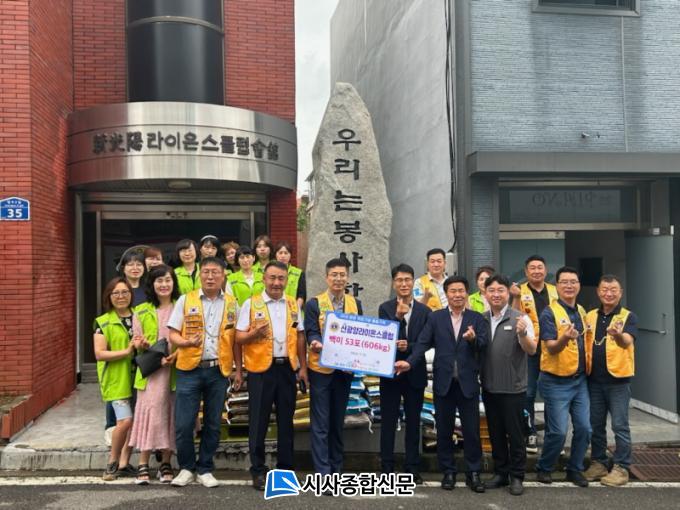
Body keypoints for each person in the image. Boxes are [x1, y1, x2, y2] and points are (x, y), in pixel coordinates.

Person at [395, 276, 488, 493]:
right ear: (446, 294)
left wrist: (473, 339)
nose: (457, 295)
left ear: (466, 293)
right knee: (444, 430)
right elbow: (422, 344)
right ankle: (448, 471)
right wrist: (409, 363)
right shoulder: (436, 318)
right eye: (453, 291)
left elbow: (484, 345)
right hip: (443, 383)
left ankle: (474, 473)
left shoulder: (476, 318)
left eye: (461, 291)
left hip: (467, 383)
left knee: (471, 431)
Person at [167, 257, 243, 488]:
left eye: (215, 272)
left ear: (223, 276)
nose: (210, 277)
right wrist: (186, 342)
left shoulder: (232, 303)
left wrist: (238, 370)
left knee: (213, 423)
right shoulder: (185, 299)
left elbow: (236, 340)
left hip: (218, 371)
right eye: (206, 272)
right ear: (200, 275)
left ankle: (205, 468)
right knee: (184, 423)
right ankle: (186, 468)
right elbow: (172, 333)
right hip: (189, 370)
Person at [235, 261, 309, 490]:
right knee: (259, 421)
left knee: (286, 421)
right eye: (272, 278)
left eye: (281, 278)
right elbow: (238, 338)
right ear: (264, 279)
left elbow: (300, 336)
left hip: (287, 368)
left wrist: (303, 368)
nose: (277, 283)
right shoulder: (251, 304)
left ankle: (285, 470)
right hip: (260, 370)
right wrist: (253, 334)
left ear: (286, 280)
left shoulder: (292, 304)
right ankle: (258, 470)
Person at [304, 258, 363, 476]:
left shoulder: (355, 303)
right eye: (334, 275)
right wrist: (315, 342)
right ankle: (323, 472)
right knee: (320, 422)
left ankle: (336, 467)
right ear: (326, 277)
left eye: (342, 275)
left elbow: (360, 334)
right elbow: (311, 331)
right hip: (321, 371)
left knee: (337, 421)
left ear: (348, 277)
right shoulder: (314, 303)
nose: (338, 279)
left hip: (344, 371)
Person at [481, 275, 537, 496]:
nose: (496, 294)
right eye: (492, 290)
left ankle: (517, 476)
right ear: (485, 294)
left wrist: (522, 333)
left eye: (500, 290)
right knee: (495, 434)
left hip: (513, 389)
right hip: (489, 387)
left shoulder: (520, 318)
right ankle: (501, 473)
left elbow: (531, 349)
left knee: (515, 435)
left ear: (508, 293)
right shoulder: (481, 319)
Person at [535, 266, 591, 487]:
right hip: (555, 381)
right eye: (564, 282)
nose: (569, 286)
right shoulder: (549, 313)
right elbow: (551, 348)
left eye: (573, 282)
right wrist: (565, 338)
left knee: (584, 428)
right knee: (558, 432)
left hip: (580, 380)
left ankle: (574, 469)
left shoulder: (582, 311)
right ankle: (545, 467)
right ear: (556, 286)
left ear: (579, 285)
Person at [377, 264, 431, 484]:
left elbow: (426, 342)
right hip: (390, 373)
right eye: (399, 280)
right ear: (393, 283)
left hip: (415, 372)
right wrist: (398, 318)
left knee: (413, 422)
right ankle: (387, 467)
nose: (404, 284)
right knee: (388, 421)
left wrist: (409, 347)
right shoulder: (385, 308)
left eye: (408, 279)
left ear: (413, 282)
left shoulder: (424, 311)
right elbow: (382, 338)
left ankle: (412, 468)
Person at [583, 275, 637, 487]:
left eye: (613, 290)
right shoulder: (590, 316)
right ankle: (599, 463)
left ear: (620, 293)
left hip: (618, 381)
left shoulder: (628, 316)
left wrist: (618, 335)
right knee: (595, 425)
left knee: (619, 425)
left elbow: (627, 341)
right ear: (598, 292)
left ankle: (622, 467)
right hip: (593, 381)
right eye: (605, 289)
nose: (609, 293)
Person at [128, 265, 180, 485]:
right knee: (149, 413)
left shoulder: (181, 307)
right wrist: (141, 344)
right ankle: (143, 461)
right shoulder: (140, 310)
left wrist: (176, 355)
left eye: (168, 280)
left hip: (174, 370)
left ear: (174, 283)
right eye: (159, 281)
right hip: (150, 372)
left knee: (169, 412)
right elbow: (136, 340)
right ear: (152, 284)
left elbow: (187, 338)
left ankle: (166, 461)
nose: (164, 285)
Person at [510, 255, 558, 453]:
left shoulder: (556, 291)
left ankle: (552, 435)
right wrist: (515, 297)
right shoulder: (519, 291)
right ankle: (529, 431)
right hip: (529, 350)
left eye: (540, 267)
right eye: (532, 268)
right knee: (528, 393)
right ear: (526, 271)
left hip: (552, 350)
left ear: (545, 271)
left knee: (551, 394)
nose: (536, 271)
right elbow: (513, 317)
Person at [94, 277, 137, 481]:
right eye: (116, 293)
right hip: (116, 379)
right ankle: (112, 461)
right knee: (125, 421)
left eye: (125, 292)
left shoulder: (139, 316)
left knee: (135, 422)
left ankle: (124, 463)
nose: (121, 296)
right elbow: (99, 353)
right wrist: (126, 351)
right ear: (109, 297)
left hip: (140, 377)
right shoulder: (102, 322)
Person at [274, 241, 307, 309]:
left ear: (290, 255)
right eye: (280, 253)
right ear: (276, 255)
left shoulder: (298, 273)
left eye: (286, 253)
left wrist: (295, 310)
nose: (283, 256)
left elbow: (301, 296)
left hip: (293, 310)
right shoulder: (270, 272)